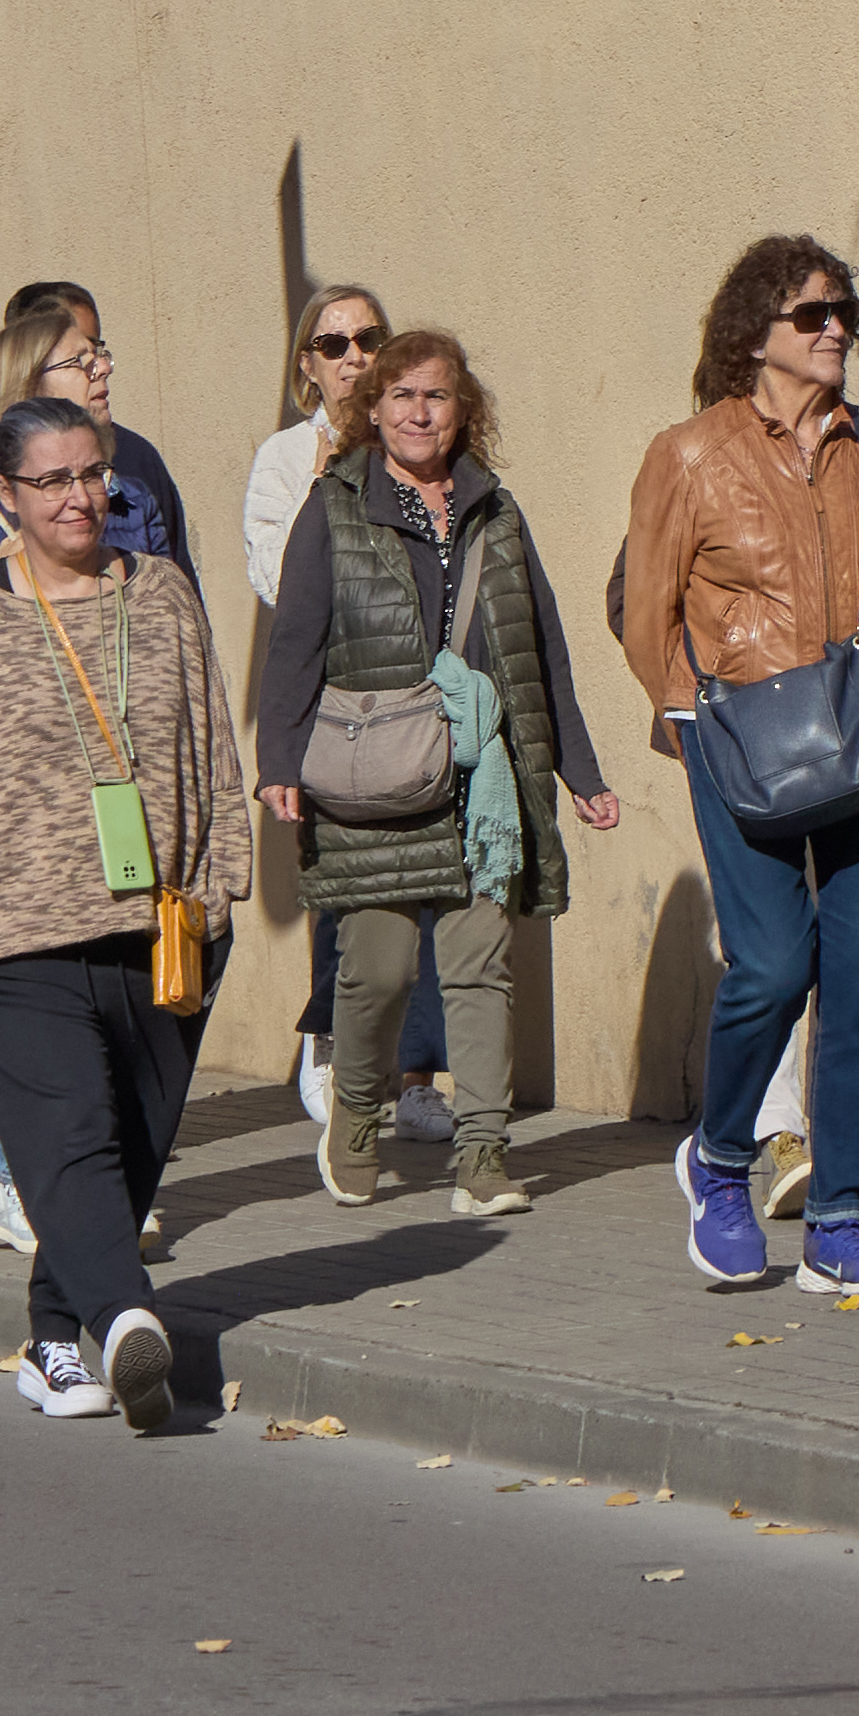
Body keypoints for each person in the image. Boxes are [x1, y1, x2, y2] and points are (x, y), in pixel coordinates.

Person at [0, 392, 247, 1432]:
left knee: (130, 1147)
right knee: (73, 1134)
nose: (79, 498)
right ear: (6, 494)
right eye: (50, 480)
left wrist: (221, 877)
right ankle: (132, 1319)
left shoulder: (166, 593)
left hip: (161, 925)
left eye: (92, 474)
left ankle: (54, 1341)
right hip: (7, 932)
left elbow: (212, 746)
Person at [622, 233, 859, 1298]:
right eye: (814, 315)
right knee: (769, 963)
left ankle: (841, 1220)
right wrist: (691, 719)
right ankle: (718, 1162)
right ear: (755, 335)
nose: (838, 328)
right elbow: (645, 609)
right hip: (742, 741)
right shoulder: (689, 455)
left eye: (845, 311)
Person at [251, 329, 618, 1217]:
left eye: (438, 395)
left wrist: (578, 767)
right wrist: (278, 762)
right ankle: (358, 1114)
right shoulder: (334, 507)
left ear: (465, 410)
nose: (420, 411)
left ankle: (484, 1152)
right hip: (371, 769)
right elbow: (294, 639)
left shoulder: (497, 508)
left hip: (482, 776)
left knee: (480, 968)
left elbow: (543, 647)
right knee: (375, 970)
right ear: (372, 408)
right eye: (403, 395)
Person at [240, 283, 451, 1143]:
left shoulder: (417, 441)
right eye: (334, 344)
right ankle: (331, 1042)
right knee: (347, 879)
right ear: (307, 365)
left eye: (370, 338)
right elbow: (275, 577)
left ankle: (418, 1072)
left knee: (435, 878)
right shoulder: (287, 459)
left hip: (420, 694)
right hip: (334, 702)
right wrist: (331, 474)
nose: (355, 356)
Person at [0, 283, 196, 670]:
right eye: (79, 362)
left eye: (99, 356)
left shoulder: (131, 495)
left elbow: (180, 628)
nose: (101, 369)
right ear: (29, 383)